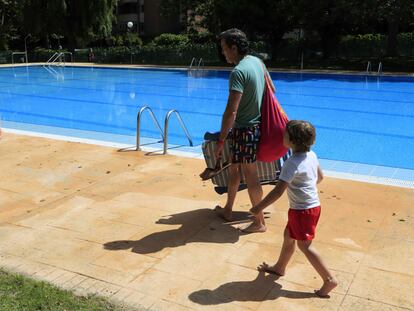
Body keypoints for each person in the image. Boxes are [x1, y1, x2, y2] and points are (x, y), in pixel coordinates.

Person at [249, 120, 338, 297]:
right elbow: (320, 177)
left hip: (302, 211)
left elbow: (278, 191)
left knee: (305, 246)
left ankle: (329, 279)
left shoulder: (291, 163)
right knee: (288, 236)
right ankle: (280, 267)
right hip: (312, 206)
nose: (282, 136)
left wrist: (258, 207)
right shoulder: (311, 155)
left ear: (292, 141)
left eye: (285, 134)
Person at [214, 28, 272, 233]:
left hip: (246, 130)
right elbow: (271, 90)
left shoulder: (238, 72)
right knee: (234, 168)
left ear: (234, 47)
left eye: (224, 48)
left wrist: (221, 140)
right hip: (251, 128)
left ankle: (259, 221)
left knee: (250, 174)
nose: (223, 53)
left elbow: (231, 111)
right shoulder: (257, 62)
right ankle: (229, 209)